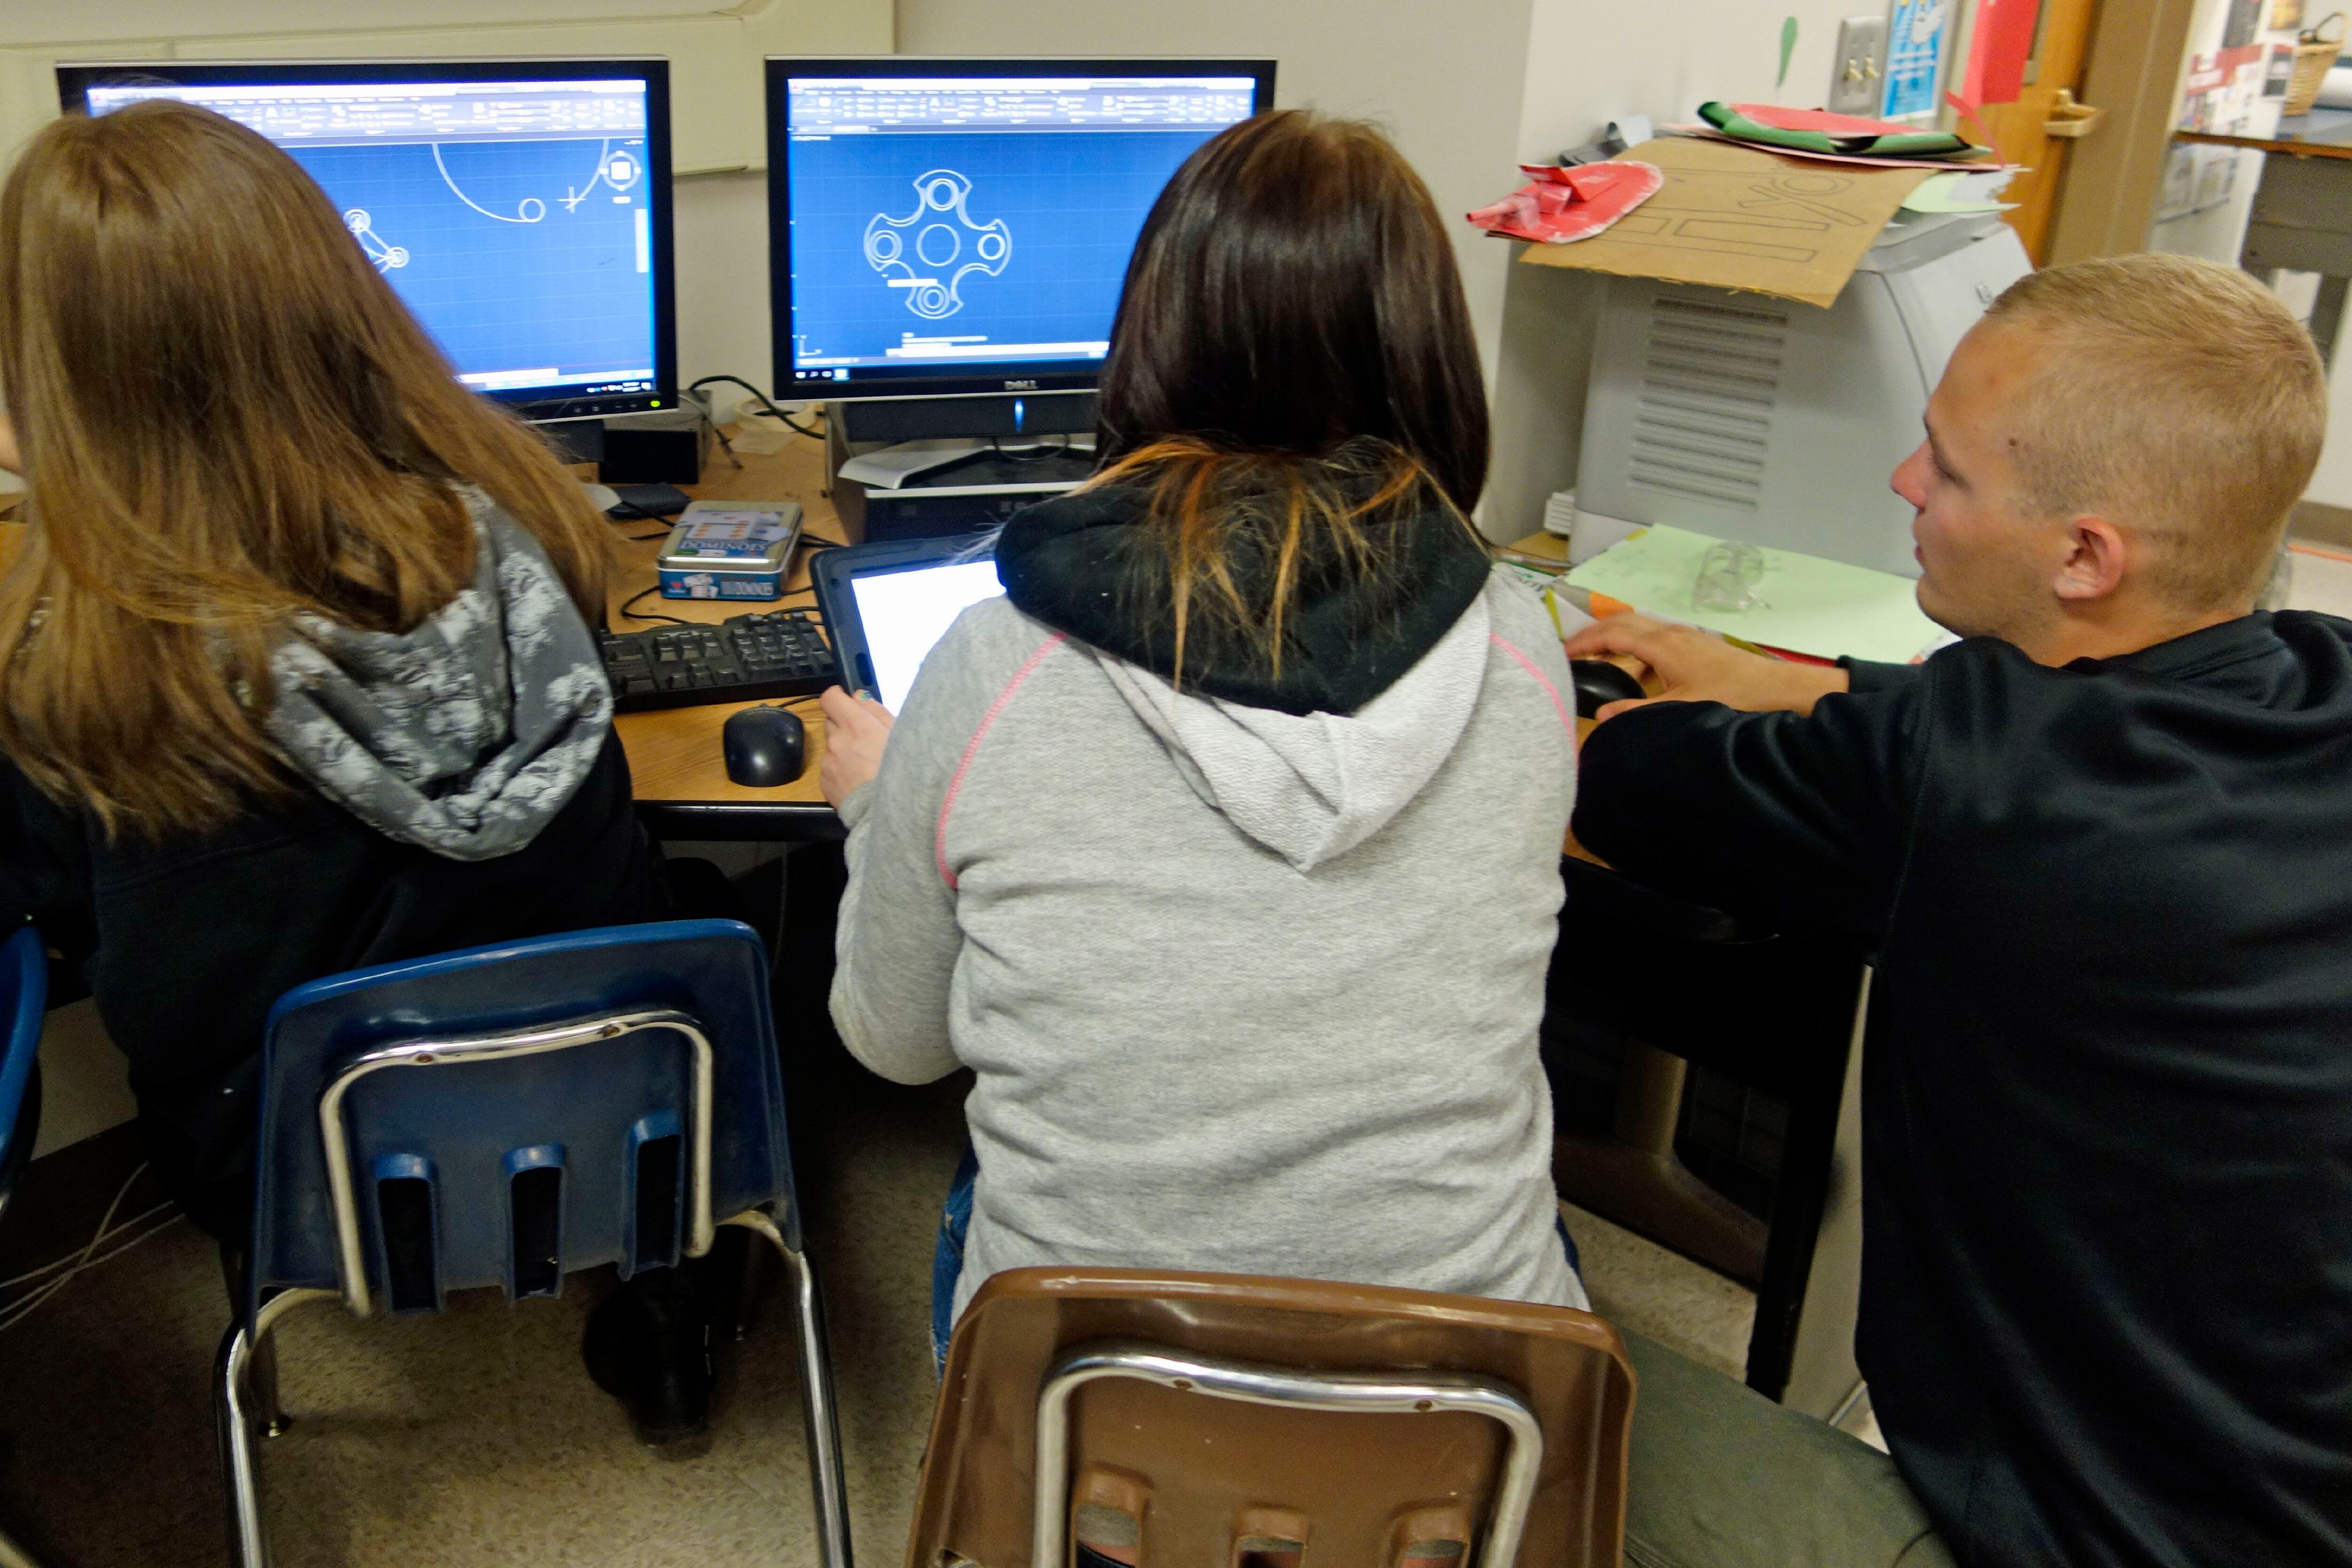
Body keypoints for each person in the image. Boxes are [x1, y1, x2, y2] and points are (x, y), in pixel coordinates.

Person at [1565, 253, 2349, 1567]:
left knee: (1525, 1398)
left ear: (2085, 555)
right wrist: (1775, 678)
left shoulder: (1977, 783)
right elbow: (1991, 720)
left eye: (1948, 466)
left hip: (2089, 1544)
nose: (1904, 483)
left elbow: (1611, 771)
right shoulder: (2320, 673)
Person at [0, 101, 715, 1447]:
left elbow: (59, 914)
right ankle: (667, 1314)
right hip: (631, 1124)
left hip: (302, 1177)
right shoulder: (533, 530)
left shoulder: (71, 677)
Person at [818, 111, 1587, 1362]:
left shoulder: (1003, 662)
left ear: (1150, 340)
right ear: (1427, 355)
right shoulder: (1521, 647)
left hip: (1096, 1430)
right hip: (1459, 1434)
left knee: (979, 1190)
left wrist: (880, 795)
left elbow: (894, 1044)